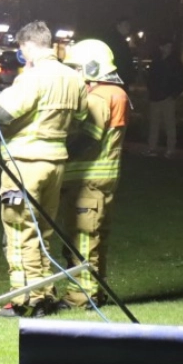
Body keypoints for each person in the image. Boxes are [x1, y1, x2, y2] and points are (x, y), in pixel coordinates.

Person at [0, 20, 87, 317]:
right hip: (55, 164)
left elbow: (4, 114)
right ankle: (44, 294)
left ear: (28, 46)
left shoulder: (33, 76)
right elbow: (80, 118)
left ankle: (25, 300)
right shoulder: (73, 78)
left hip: (25, 165)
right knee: (43, 231)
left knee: (19, 232)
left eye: (21, 48)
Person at [59, 39, 130, 310]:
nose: (74, 73)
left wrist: (58, 149)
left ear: (90, 66)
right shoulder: (116, 92)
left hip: (88, 181)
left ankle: (81, 298)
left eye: (76, 67)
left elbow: (88, 138)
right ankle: (93, 293)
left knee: (83, 240)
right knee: (93, 239)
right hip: (101, 180)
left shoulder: (100, 96)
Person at [146, 39, 183, 158]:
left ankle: (170, 149)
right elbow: (150, 79)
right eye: (167, 46)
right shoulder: (156, 62)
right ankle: (152, 148)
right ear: (161, 47)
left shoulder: (175, 63)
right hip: (155, 97)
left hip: (167, 98)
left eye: (170, 47)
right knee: (154, 125)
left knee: (169, 124)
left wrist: (173, 95)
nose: (169, 49)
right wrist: (151, 92)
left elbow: (181, 81)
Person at [106, 18, 137, 88]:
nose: (128, 27)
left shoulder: (118, 40)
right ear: (118, 26)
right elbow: (123, 61)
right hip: (119, 77)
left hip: (118, 77)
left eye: (128, 25)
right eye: (125, 25)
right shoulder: (116, 41)